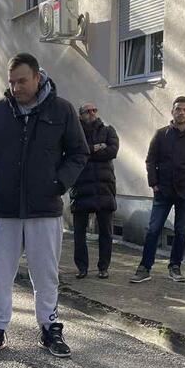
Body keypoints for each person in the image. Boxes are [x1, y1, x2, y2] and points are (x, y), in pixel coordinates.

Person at [0, 53, 88, 358]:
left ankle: (49, 328)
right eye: (11, 82)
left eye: (22, 80)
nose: (16, 87)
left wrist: (59, 184)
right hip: (5, 209)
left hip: (44, 209)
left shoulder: (61, 111)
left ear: (38, 77)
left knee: (46, 273)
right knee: (0, 273)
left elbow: (78, 152)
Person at [130, 96, 185, 284]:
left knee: (180, 230)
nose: (181, 112)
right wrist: (154, 185)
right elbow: (151, 161)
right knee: (153, 229)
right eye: (178, 109)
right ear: (172, 111)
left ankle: (175, 267)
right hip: (163, 191)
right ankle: (144, 268)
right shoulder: (161, 134)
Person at [70, 102, 118, 279]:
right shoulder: (74, 133)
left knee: (106, 232)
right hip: (81, 187)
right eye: (87, 111)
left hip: (104, 187)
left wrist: (87, 153)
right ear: (80, 115)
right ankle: (82, 268)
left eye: (94, 110)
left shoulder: (108, 130)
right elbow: (74, 153)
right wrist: (94, 148)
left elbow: (112, 151)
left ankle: (103, 267)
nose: (91, 113)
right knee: (79, 233)